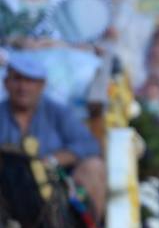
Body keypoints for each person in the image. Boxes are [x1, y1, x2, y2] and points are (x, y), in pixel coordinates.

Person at [0, 54, 106, 215]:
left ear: (42, 86)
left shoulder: (58, 112)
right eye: (17, 79)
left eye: (29, 81)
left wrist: (52, 161)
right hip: (6, 189)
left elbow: (89, 144)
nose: (23, 87)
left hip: (54, 188)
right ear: (6, 83)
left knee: (94, 167)